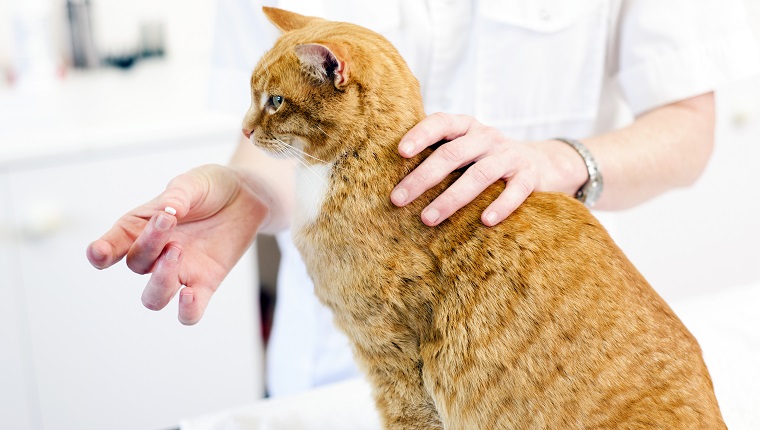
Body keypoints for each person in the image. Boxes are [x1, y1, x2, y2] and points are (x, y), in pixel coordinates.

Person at [87, 0, 758, 399]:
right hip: (341, 367)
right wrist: (247, 195)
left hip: (543, 348)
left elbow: (688, 125)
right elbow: (287, 132)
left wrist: (557, 161)